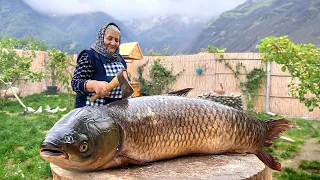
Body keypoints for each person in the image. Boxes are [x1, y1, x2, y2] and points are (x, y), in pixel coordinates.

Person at [71, 22, 129, 108]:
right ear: (101, 38)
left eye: (116, 40)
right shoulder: (90, 56)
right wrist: (94, 85)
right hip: (91, 113)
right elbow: (75, 83)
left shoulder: (120, 60)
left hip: (115, 114)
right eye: (109, 38)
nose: (113, 43)